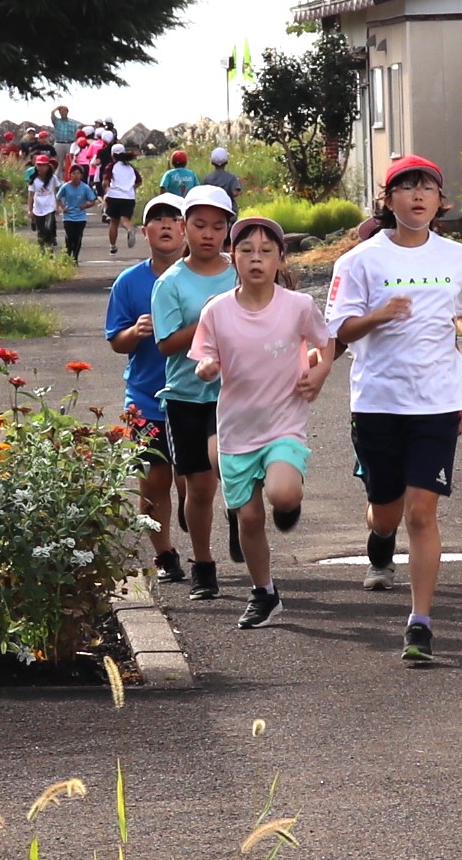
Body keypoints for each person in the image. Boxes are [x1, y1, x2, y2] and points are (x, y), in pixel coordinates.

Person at [324, 154, 462, 664]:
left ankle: (420, 623)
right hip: (378, 400)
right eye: (406, 188)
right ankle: (378, 535)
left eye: (427, 188)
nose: (417, 196)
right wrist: (378, 315)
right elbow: (339, 333)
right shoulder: (359, 261)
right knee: (386, 509)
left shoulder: (458, 258)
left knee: (422, 510)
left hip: (439, 399)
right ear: (388, 200)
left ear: (441, 202)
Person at [190, 215, 333, 629]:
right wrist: (206, 368)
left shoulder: (298, 306)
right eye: (247, 251)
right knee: (249, 519)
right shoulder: (216, 311)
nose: (256, 259)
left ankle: (289, 498)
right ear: (232, 257)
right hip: (236, 430)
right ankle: (264, 592)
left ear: (280, 259)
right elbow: (205, 356)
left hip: (283, 424)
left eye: (266, 251)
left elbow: (327, 343)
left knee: (284, 494)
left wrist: (319, 375)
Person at [150, 185, 240, 600]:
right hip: (186, 395)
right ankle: (203, 565)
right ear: (185, 228)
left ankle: (241, 513)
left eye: (218, 226)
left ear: (228, 230)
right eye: (199, 225)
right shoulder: (170, 282)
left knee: (227, 465)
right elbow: (166, 343)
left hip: (236, 391)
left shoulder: (241, 270)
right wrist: (210, 317)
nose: (208, 234)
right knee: (198, 487)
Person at [106, 193, 191, 583]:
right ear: (145, 231)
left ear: (186, 229)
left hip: (198, 396)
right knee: (155, 481)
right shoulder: (129, 282)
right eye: (157, 219)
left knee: (192, 481)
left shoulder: (211, 276)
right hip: (147, 399)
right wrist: (135, 332)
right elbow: (115, 341)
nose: (167, 225)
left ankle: (197, 511)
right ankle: (165, 553)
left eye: (175, 218)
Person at [102, 143, 142, 254]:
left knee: (114, 222)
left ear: (112, 155)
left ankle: (113, 246)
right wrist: (129, 188)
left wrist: (107, 190)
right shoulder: (131, 167)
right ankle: (130, 229)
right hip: (129, 198)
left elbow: (105, 182)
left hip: (114, 196)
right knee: (125, 220)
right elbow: (139, 182)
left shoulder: (111, 166)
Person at [55, 163, 99, 260]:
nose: (76, 176)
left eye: (78, 174)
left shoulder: (85, 187)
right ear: (70, 175)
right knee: (69, 236)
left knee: (78, 237)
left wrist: (86, 206)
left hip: (80, 217)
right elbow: (58, 198)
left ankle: (75, 258)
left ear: (81, 176)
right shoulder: (65, 187)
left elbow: (93, 201)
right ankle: (68, 255)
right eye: (73, 173)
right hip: (68, 216)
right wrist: (62, 207)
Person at [26, 154, 60, 248]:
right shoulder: (34, 180)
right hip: (38, 208)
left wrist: (58, 205)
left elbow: (58, 192)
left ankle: (50, 244)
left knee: (48, 227)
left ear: (48, 166)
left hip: (50, 206)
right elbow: (31, 195)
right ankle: (41, 247)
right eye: (39, 165)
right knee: (40, 230)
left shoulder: (53, 178)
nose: (41, 168)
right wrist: (30, 210)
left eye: (44, 165)